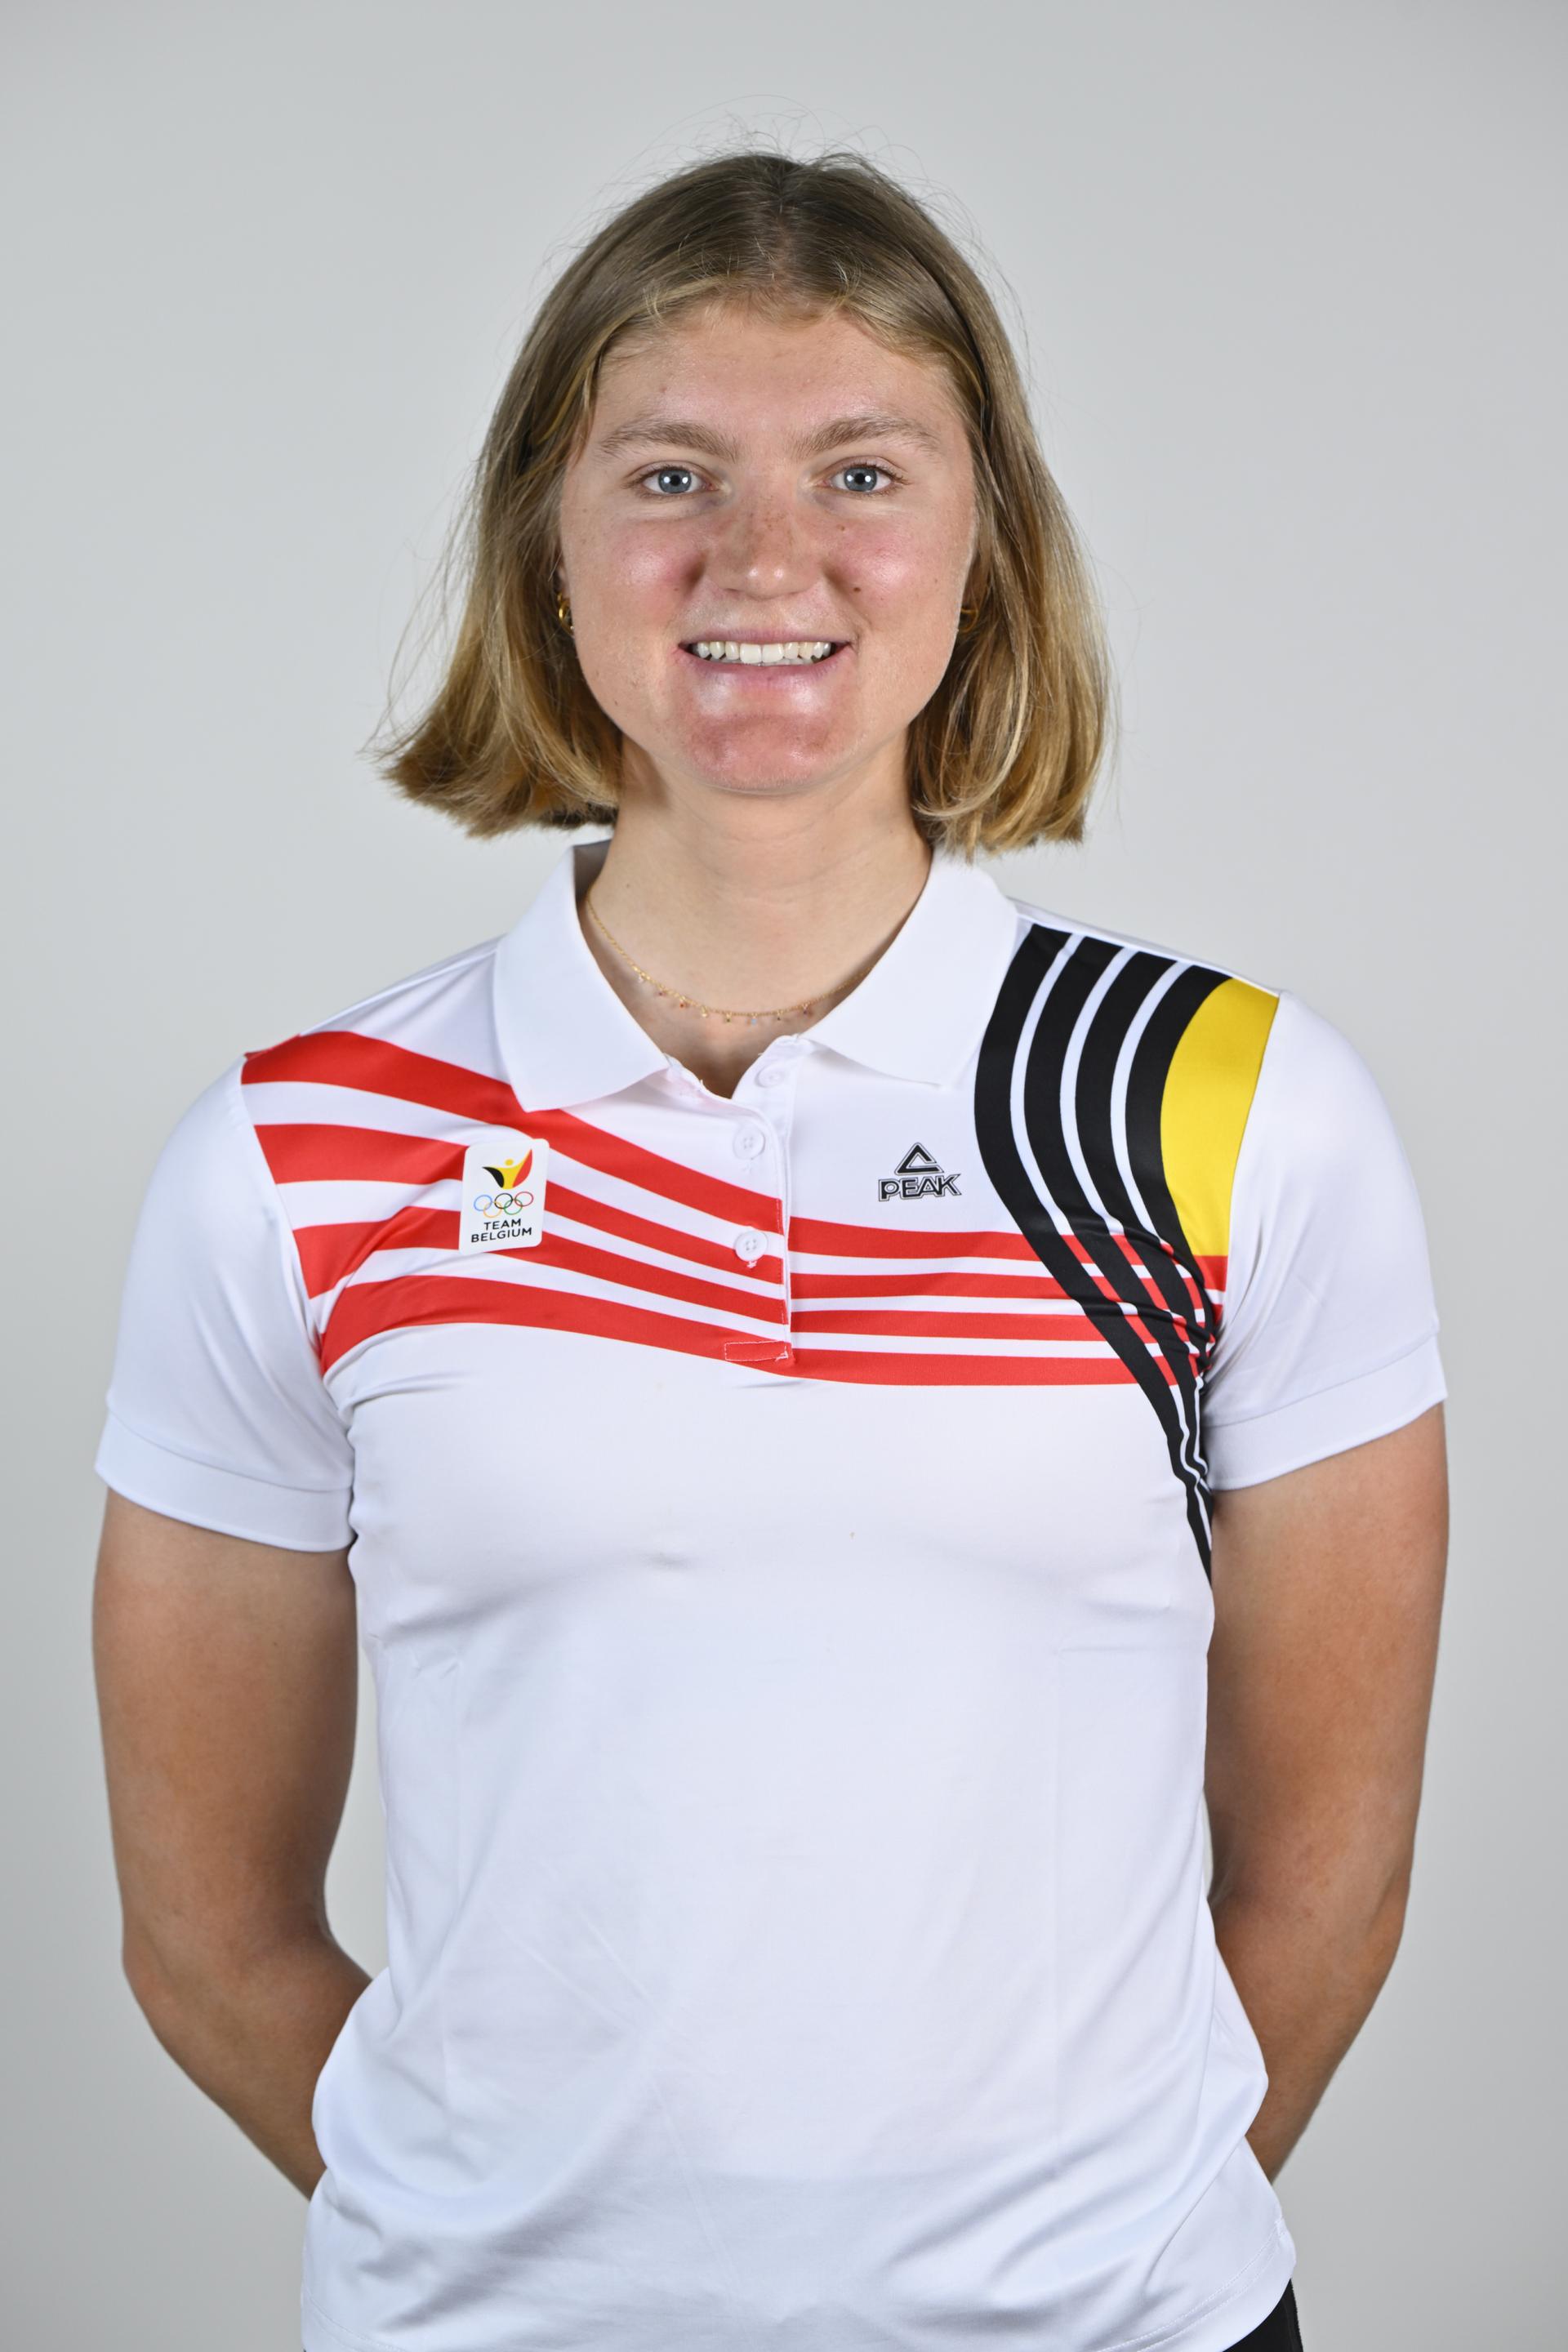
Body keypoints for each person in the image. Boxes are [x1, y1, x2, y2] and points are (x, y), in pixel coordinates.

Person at [91, 147, 1446, 2352]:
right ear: (550, 539)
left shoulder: (1226, 1111)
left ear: (980, 547)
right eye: (669, 474)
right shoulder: (297, 1156)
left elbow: (1326, 1884)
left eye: (860, 469)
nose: (764, 558)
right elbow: (204, 1935)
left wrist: (1062, 2273)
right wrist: (516, 2252)